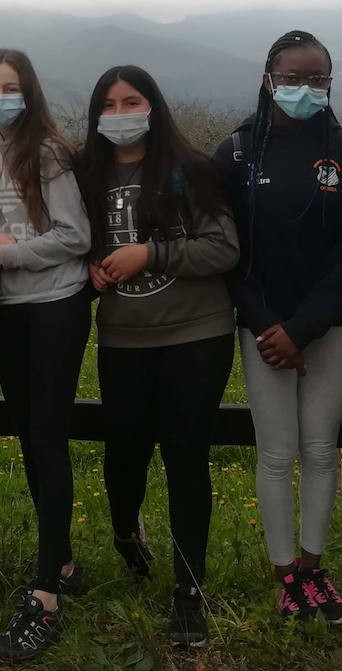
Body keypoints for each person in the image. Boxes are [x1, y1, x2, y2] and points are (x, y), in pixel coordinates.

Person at [73, 65, 239, 649]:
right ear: (96, 114)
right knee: (123, 458)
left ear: (154, 105)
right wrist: (90, 264)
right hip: (124, 339)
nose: (121, 113)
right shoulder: (83, 176)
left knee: (186, 456)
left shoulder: (188, 169)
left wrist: (150, 254)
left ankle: (189, 590)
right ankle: (126, 534)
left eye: (132, 101)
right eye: (110, 104)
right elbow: (73, 241)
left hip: (198, 335)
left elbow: (223, 247)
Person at [212, 30, 342, 624]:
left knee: (321, 450)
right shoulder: (233, 153)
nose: (303, 89)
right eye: (292, 77)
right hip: (262, 332)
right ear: (267, 78)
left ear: (329, 83)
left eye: (316, 79)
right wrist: (266, 326)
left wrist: (305, 327)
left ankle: (314, 568)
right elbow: (228, 253)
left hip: (328, 327)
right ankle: (285, 576)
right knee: (277, 453)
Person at [0, 49, 93, 664]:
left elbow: (77, 236)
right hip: (8, 311)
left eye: (11, 87)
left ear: (30, 93)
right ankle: (63, 559)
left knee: (47, 437)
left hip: (54, 305)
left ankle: (45, 596)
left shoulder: (45, 152)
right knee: (26, 433)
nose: (1, 97)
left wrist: (5, 253)